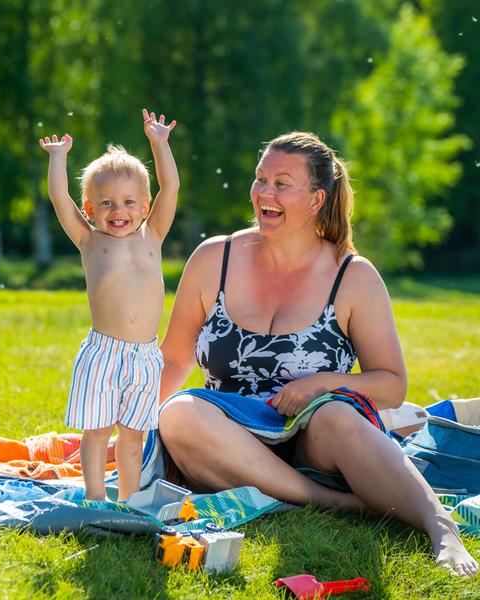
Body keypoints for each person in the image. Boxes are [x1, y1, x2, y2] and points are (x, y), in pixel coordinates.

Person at [157, 132, 478, 577]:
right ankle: (334, 502)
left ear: (316, 199)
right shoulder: (215, 258)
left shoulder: (352, 275)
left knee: (338, 417)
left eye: (282, 183)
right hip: (228, 439)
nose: (264, 193)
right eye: (260, 179)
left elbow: (391, 384)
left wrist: (321, 384)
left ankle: (440, 528)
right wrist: (132, 429)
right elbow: (173, 361)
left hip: (313, 435)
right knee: (178, 414)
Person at [38, 109, 179, 501]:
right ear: (90, 208)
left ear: (146, 205)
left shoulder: (153, 236)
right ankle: (96, 497)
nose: (119, 211)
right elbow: (58, 197)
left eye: (129, 202)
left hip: (146, 358)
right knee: (98, 432)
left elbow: (171, 189)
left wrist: (159, 143)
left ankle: (129, 500)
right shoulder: (90, 242)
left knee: (133, 437)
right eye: (107, 203)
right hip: (103, 353)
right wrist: (58, 158)